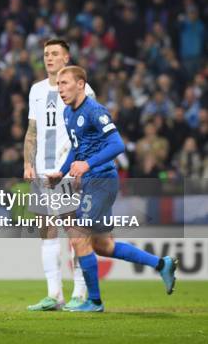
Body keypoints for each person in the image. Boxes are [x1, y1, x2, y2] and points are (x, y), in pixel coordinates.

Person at [47, 66, 177, 312]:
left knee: (78, 234)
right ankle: (162, 264)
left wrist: (88, 164)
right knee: (102, 246)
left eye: (65, 83)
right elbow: (77, 148)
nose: (60, 88)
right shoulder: (67, 113)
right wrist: (61, 172)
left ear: (81, 84)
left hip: (102, 180)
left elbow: (117, 144)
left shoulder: (95, 111)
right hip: (89, 182)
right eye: (59, 84)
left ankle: (94, 302)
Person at [24, 38, 94, 311]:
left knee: (74, 230)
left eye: (54, 54)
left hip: (68, 170)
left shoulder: (83, 89)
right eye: (46, 54)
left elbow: (91, 132)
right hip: (42, 170)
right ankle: (54, 294)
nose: (49, 58)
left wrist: (82, 164)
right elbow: (32, 131)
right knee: (47, 229)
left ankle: (79, 292)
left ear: (67, 58)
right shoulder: (37, 90)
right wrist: (28, 163)